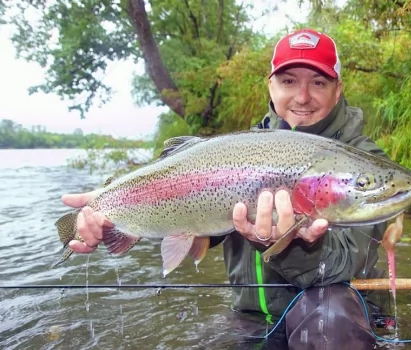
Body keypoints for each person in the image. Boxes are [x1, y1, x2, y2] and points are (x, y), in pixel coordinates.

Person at [62, 29, 391, 349]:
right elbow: (205, 217)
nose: (302, 97)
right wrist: (109, 218)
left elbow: (347, 263)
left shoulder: (362, 161)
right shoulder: (238, 148)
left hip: (330, 318)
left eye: (317, 82)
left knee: (331, 320)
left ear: (338, 89)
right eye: (289, 81)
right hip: (250, 317)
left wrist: (286, 244)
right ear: (271, 86)